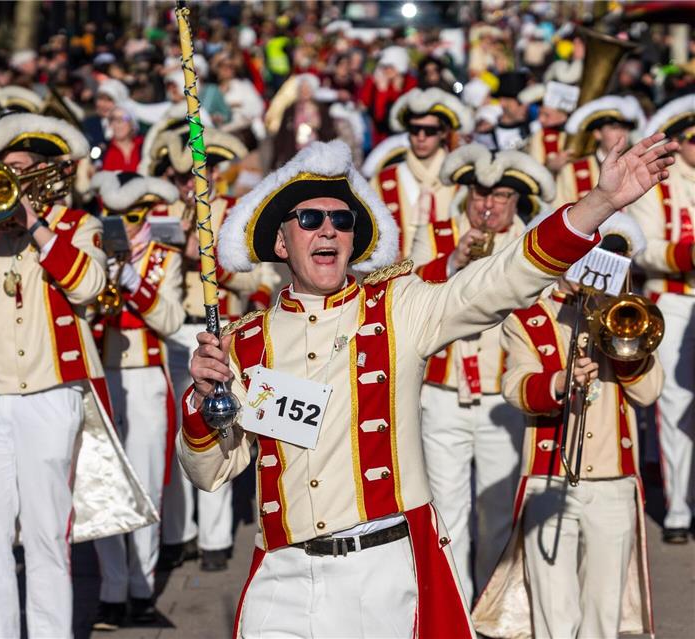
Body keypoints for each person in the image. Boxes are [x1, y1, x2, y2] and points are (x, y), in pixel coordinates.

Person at [179, 134, 675, 636]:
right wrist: (202, 400)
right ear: (282, 242)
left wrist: (600, 203)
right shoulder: (243, 343)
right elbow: (210, 473)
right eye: (310, 219)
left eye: (342, 220)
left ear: (354, 240)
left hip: (382, 576)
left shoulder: (398, 308)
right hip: (280, 580)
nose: (328, 229)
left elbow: (498, 281)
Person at [0, 111, 156, 638]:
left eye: (20, 171)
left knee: (48, 536)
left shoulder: (78, 226)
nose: (8, 181)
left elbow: (89, 285)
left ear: (44, 177)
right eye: (4, 171)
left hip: (52, 395)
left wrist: (36, 226)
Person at [473, 213, 662, 639]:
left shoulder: (628, 315)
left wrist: (622, 346)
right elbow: (513, 386)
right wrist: (560, 380)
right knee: (553, 610)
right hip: (548, 479)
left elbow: (648, 393)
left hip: (613, 481)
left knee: (603, 610)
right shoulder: (528, 318)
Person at [409, 143, 555, 600]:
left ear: (517, 202)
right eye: (479, 195)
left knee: (496, 513)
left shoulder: (530, 245)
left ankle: (488, 610)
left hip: (500, 398)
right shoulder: (435, 233)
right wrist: (453, 262)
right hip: (442, 394)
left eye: (500, 197)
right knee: (447, 512)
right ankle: (454, 615)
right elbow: (406, 294)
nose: (488, 206)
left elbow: (545, 313)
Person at [145, 127, 271, 572]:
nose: (189, 182)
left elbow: (255, 279)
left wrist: (209, 258)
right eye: (181, 175)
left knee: (222, 428)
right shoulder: (161, 214)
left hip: (221, 330)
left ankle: (216, 540)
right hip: (175, 330)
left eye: (197, 172)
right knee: (183, 429)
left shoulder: (233, 214)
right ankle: (180, 534)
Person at [89, 171, 184, 630]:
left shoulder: (165, 257)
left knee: (146, 484)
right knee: (104, 482)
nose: (120, 227)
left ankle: (142, 588)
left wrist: (131, 280)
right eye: (112, 216)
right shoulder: (93, 249)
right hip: (99, 372)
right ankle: (111, 589)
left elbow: (170, 317)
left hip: (145, 375)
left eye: (129, 217)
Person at [627, 94, 695, 544]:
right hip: (674, 299)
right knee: (673, 407)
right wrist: (686, 254)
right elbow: (642, 247)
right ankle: (677, 509)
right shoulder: (663, 183)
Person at [372, 87, 473, 258]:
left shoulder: (462, 181)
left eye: (430, 131)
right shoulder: (383, 180)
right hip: (397, 279)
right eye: (414, 129)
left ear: (443, 133)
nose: (421, 137)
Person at [553, 94, 645, 209]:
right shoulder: (571, 170)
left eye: (625, 128)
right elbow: (559, 212)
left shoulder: (636, 169)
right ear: (597, 134)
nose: (621, 134)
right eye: (614, 128)